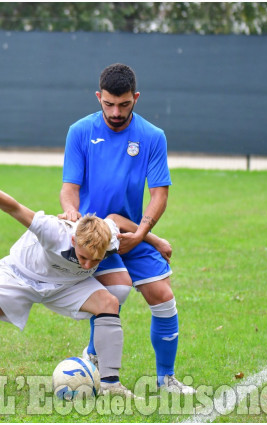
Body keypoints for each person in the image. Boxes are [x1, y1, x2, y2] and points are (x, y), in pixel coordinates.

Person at [0, 164, 144, 397]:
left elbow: (117, 219)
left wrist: (155, 240)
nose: (87, 265)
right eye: (84, 257)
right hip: (19, 275)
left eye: (95, 261)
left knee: (109, 303)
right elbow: (14, 208)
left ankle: (110, 384)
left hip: (67, 284)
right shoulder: (53, 231)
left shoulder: (108, 239)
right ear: (74, 240)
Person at [60, 63, 195, 395]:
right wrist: (70, 211)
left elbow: (159, 194)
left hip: (132, 232)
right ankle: (94, 355)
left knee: (163, 297)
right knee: (114, 294)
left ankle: (166, 379)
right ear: (98, 97)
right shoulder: (79, 131)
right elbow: (69, 187)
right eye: (108, 104)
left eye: (124, 104)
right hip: (95, 236)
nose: (115, 112)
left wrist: (144, 234)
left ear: (136, 97)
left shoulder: (152, 137)